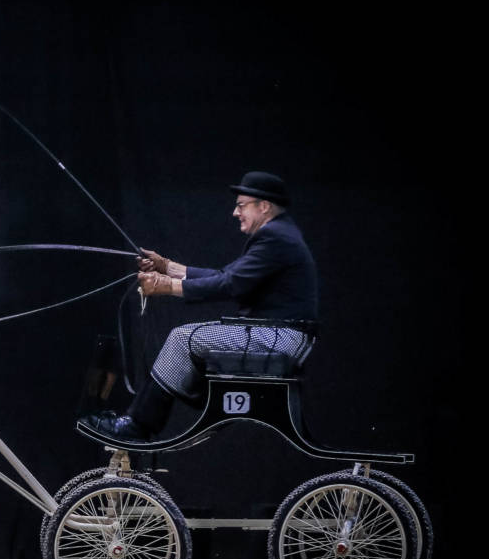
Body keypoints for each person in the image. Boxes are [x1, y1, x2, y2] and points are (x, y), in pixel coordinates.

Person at [83, 171, 318, 443]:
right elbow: (225, 275)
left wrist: (167, 286)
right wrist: (166, 266)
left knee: (183, 338)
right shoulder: (280, 234)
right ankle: (149, 417)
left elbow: (229, 284)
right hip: (279, 334)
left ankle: (137, 425)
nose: (235, 212)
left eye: (241, 205)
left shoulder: (275, 237)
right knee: (188, 339)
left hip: (278, 337)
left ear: (263, 206)